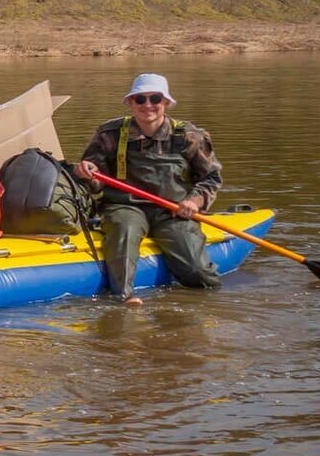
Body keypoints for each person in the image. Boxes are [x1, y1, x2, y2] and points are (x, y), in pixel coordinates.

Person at [73, 73, 223, 306]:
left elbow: (211, 177)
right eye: (140, 99)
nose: (148, 105)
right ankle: (123, 297)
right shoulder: (109, 134)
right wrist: (86, 172)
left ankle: (203, 296)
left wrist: (194, 202)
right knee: (125, 230)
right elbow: (95, 182)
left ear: (166, 103)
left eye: (155, 98)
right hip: (125, 206)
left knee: (197, 271)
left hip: (173, 211)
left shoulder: (190, 136)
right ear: (131, 102)